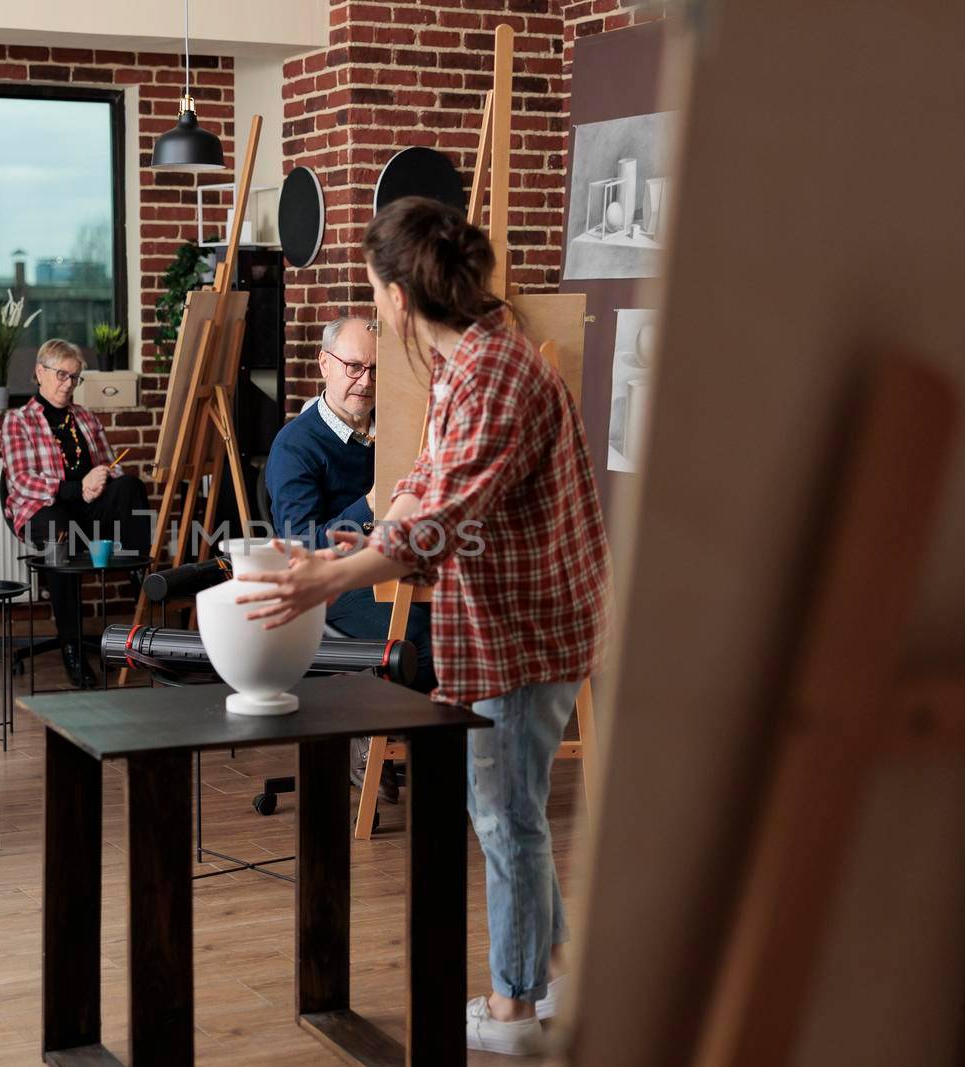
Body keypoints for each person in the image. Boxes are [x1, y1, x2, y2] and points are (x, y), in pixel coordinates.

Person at [235, 196, 611, 1057]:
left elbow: (442, 518)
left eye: (375, 294)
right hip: (525, 618)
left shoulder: (494, 373)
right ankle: (548, 973)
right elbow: (425, 487)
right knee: (511, 808)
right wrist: (362, 541)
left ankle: (515, 1011)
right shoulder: (470, 362)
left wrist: (334, 573)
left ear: (400, 298)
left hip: (527, 626)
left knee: (504, 811)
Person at [264, 314, 436, 801]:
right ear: (324, 364)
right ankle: (368, 730)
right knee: (418, 641)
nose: (366, 381)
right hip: (332, 586)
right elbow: (299, 547)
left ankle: (427, 751)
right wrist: (370, 505)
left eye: (377, 370)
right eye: (354, 366)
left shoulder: (400, 433)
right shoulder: (295, 445)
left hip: (400, 570)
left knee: (467, 624)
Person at [2, 338, 150, 688]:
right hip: (44, 510)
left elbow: (107, 465)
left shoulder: (85, 417)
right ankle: (71, 646)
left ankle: (139, 577)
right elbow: (22, 481)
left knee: (129, 485)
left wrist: (102, 477)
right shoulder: (17, 421)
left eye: (74, 378)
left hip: (88, 508)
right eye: (61, 375)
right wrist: (75, 488)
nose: (68, 384)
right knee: (59, 529)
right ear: (40, 372)